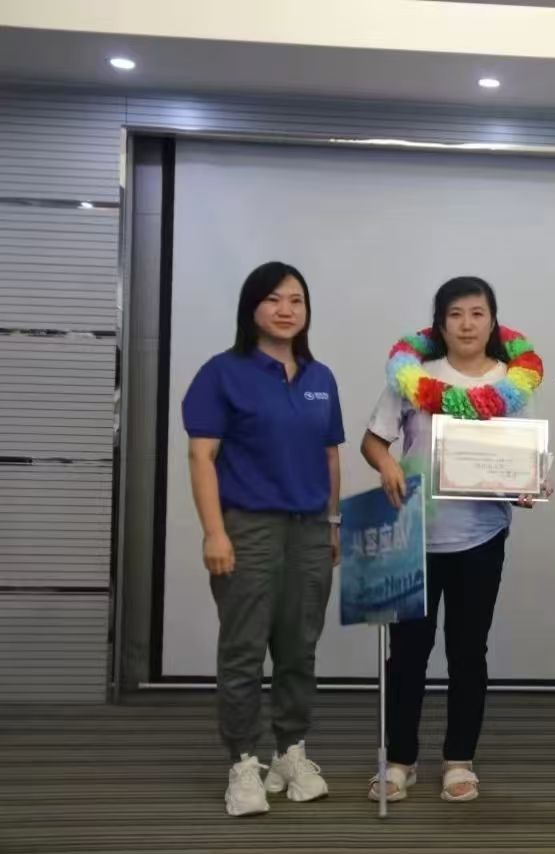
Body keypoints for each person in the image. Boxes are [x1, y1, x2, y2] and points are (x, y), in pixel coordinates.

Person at [361, 276, 546, 804]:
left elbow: (521, 459)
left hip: (480, 538)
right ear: (440, 325)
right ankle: (399, 761)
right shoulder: (413, 376)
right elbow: (373, 441)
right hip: (414, 534)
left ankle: (459, 759)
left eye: (477, 313)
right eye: (456, 314)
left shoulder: (512, 382)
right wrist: (387, 465)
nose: (467, 324)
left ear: (493, 322)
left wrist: (529, 485)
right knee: (407, 654)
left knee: (468, 652)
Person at [182, 261, 344, 817]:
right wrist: (214, 532)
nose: (285, 310)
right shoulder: (222, 373)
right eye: (273, 299)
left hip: (309, 529)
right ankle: (243, 762)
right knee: (245, 650)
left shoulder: (320, 378)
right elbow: (201, 457)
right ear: (251, 308)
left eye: (296, 300)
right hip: (247, 528)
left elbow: (329, 456)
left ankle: (289, 753)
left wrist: (333, 522)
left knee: (299, 648)